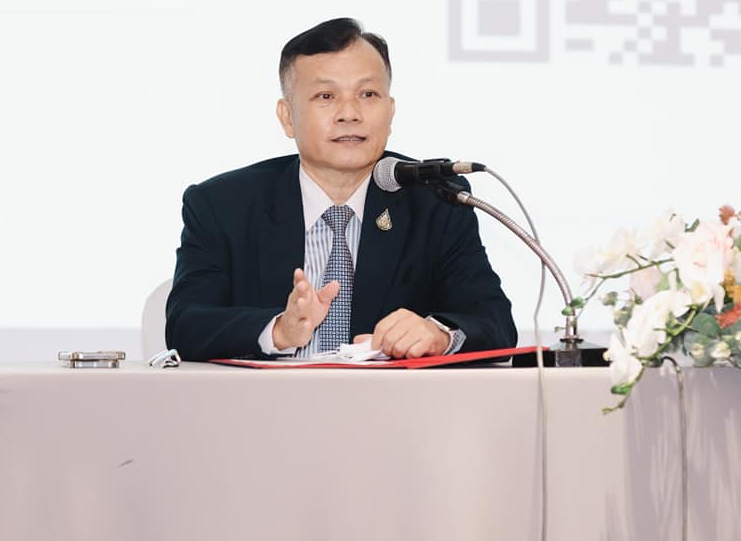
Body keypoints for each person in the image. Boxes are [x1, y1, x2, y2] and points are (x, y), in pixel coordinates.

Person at [165, 18, 516, 361]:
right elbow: (185, 324)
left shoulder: (435, 199)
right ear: (287, 117)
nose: (349, 113)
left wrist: (438, 335)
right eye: (326, 96)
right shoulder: (223, 205)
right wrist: (279, 331)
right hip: (268, 399)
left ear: (390, 111)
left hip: (390, 400)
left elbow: (494, 321)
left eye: (368, 94)